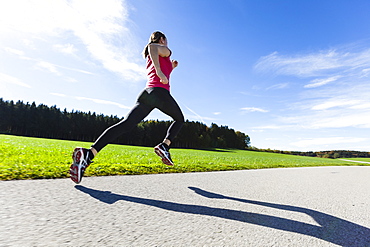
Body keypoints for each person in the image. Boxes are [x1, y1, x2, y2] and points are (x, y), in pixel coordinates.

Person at [69, 31, 185, 184]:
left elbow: (162, 67)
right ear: (162, 39)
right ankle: (164, 146)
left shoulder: (159, 57)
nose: (167, 44)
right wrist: (159, 71)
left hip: (147, 94)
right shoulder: (162, 49)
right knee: (180, 119)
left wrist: (171, 67)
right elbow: (152, 47)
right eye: (166, 40)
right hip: (159, 92)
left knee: (125, 125)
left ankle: (89, 154)